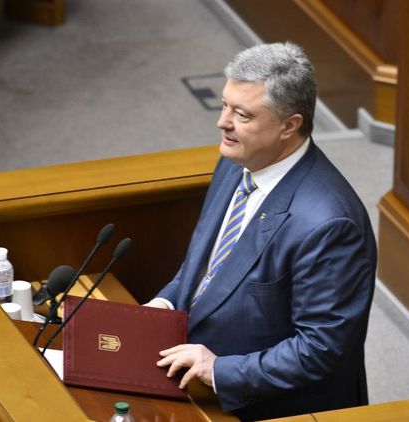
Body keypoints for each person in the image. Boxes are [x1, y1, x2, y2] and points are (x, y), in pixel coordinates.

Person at [146, 42, 377, 421]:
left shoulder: (329, 225)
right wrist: (165, 305)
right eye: (224, 105)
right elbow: (206, 267)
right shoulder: (237, 161)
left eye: (242, 115)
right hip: (194, 378)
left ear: (289, 125)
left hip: (268, 407)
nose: (223, 122)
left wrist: (219, 370)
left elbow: (321, 350)